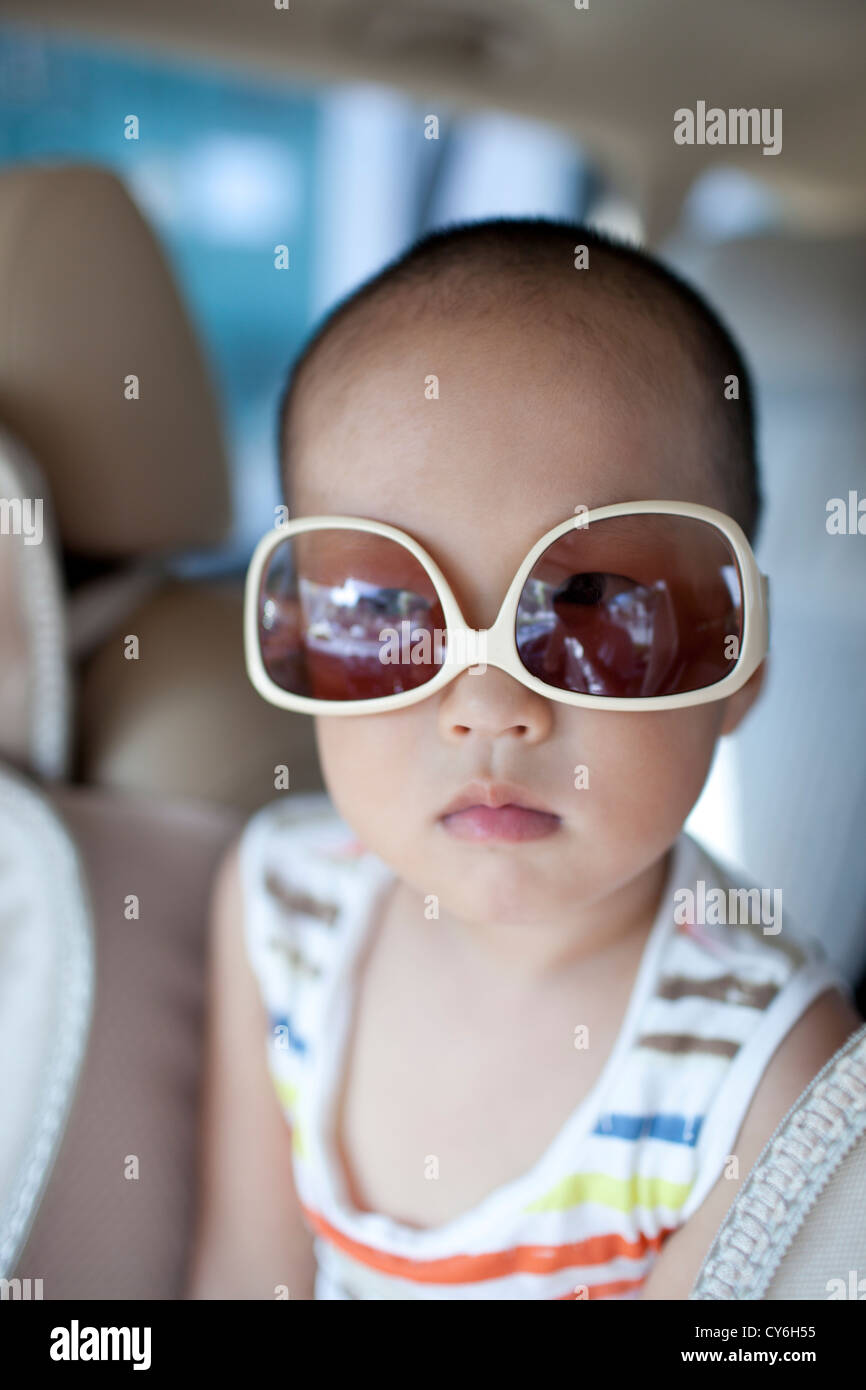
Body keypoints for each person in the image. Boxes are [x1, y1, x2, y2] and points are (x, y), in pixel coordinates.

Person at [185, 218, 861, 1300]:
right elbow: (239, 1276)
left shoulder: (777, 1075)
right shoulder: (280, 909)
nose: (489, 708)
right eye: (386, 615)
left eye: (594, 605)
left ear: (739, 657)